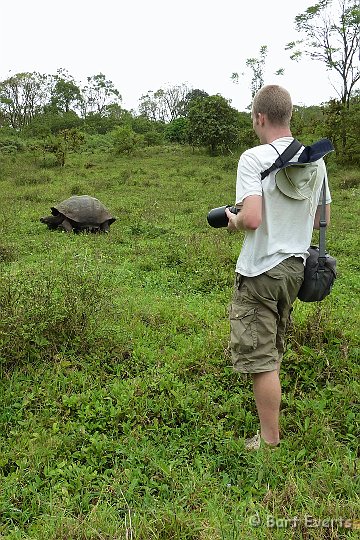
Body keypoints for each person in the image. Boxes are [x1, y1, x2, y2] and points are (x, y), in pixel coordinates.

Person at [225, 85, 331, 449]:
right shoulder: (316, 159)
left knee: (261, 358)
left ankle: (269, 441)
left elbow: (251, 219)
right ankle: (271, 427)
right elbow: (323, 214)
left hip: (260, 271)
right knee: (273, 346)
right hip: (295, 268)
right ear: (289, 116)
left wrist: (232, 219)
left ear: (260, 117)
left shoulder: (253, 158)